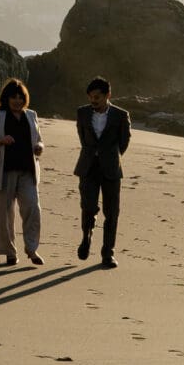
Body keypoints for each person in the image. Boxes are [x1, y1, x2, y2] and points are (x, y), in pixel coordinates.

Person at [0, 78, 45, 265]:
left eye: (20, 97)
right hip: (3, 171)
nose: (17, 101)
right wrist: (0, 141)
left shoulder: (31, 115)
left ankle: (32, 249)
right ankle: (10, 252)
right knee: (4, 215)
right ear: (6, 98)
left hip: (28, 171)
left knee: (33, 209)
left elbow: (39, 140)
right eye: (13, 97)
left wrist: (39, 147)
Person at [75, 76, 131, 267]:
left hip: (111, 169)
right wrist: (94, 154)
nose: (93, 100)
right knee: (88, 207)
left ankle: (108, 253)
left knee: (112, 212)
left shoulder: (121, 115)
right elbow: (83, 138)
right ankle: (86, 236)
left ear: (108, 95)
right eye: (91, 97)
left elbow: (124, 142)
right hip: (88, 166)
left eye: (97, 97)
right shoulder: (82, 113)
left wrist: (110, 156)